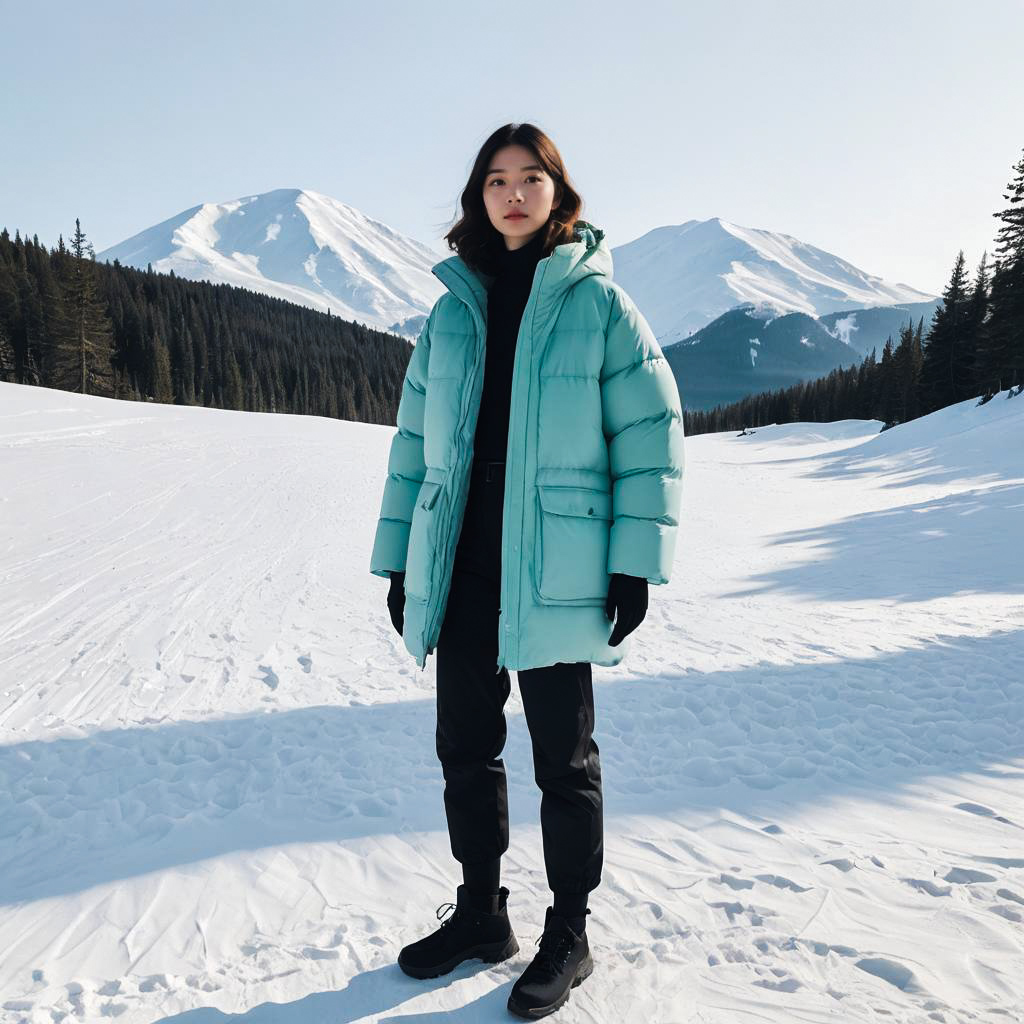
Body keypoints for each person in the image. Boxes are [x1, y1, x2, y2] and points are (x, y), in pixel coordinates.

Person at [369, 122, 684, 1018]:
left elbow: (650, 437)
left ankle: (570, 931)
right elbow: (411, 449)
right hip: (463, 555)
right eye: (496, 180)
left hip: (556, 562)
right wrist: (403, 563)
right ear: (479, 198)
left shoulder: (598, 305)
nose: (512, 194)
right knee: (465, 748)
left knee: (563, 759)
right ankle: (480, 914)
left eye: (529, 178)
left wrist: (633, 566)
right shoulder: (452, 308)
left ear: (558, 191)